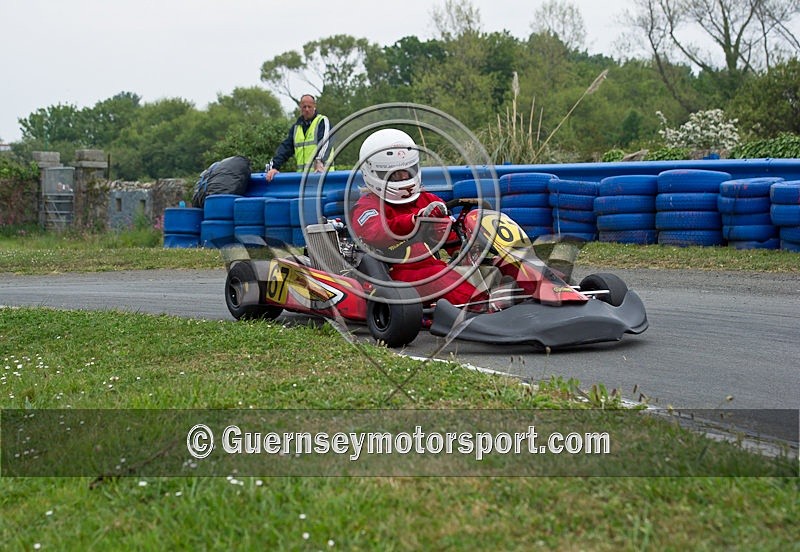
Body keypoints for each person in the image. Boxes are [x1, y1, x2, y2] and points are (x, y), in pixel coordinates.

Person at [351, 128, 486, 308]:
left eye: (407, 171)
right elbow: (377, 233)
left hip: (432, 266)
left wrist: (465, 243)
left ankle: (523, 292)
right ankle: (483, 307)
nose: (403, 177)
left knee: (488, 266)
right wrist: (416, 221)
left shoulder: (426, 199)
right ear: (373, 173)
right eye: (394, 173)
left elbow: (450, 234)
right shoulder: (367, 206)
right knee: (441, 277)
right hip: (397, 275)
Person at [265, 94, 333, 181]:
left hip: (323, 177)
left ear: (314, 106)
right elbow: (286, 148)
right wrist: (274, 167)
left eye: (309, 106)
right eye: (304, 107)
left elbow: (325, 143)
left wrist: (319, 161)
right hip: (303, 179)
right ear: (300, 107)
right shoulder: (296, 128)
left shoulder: (322, 122)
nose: (307, 109)